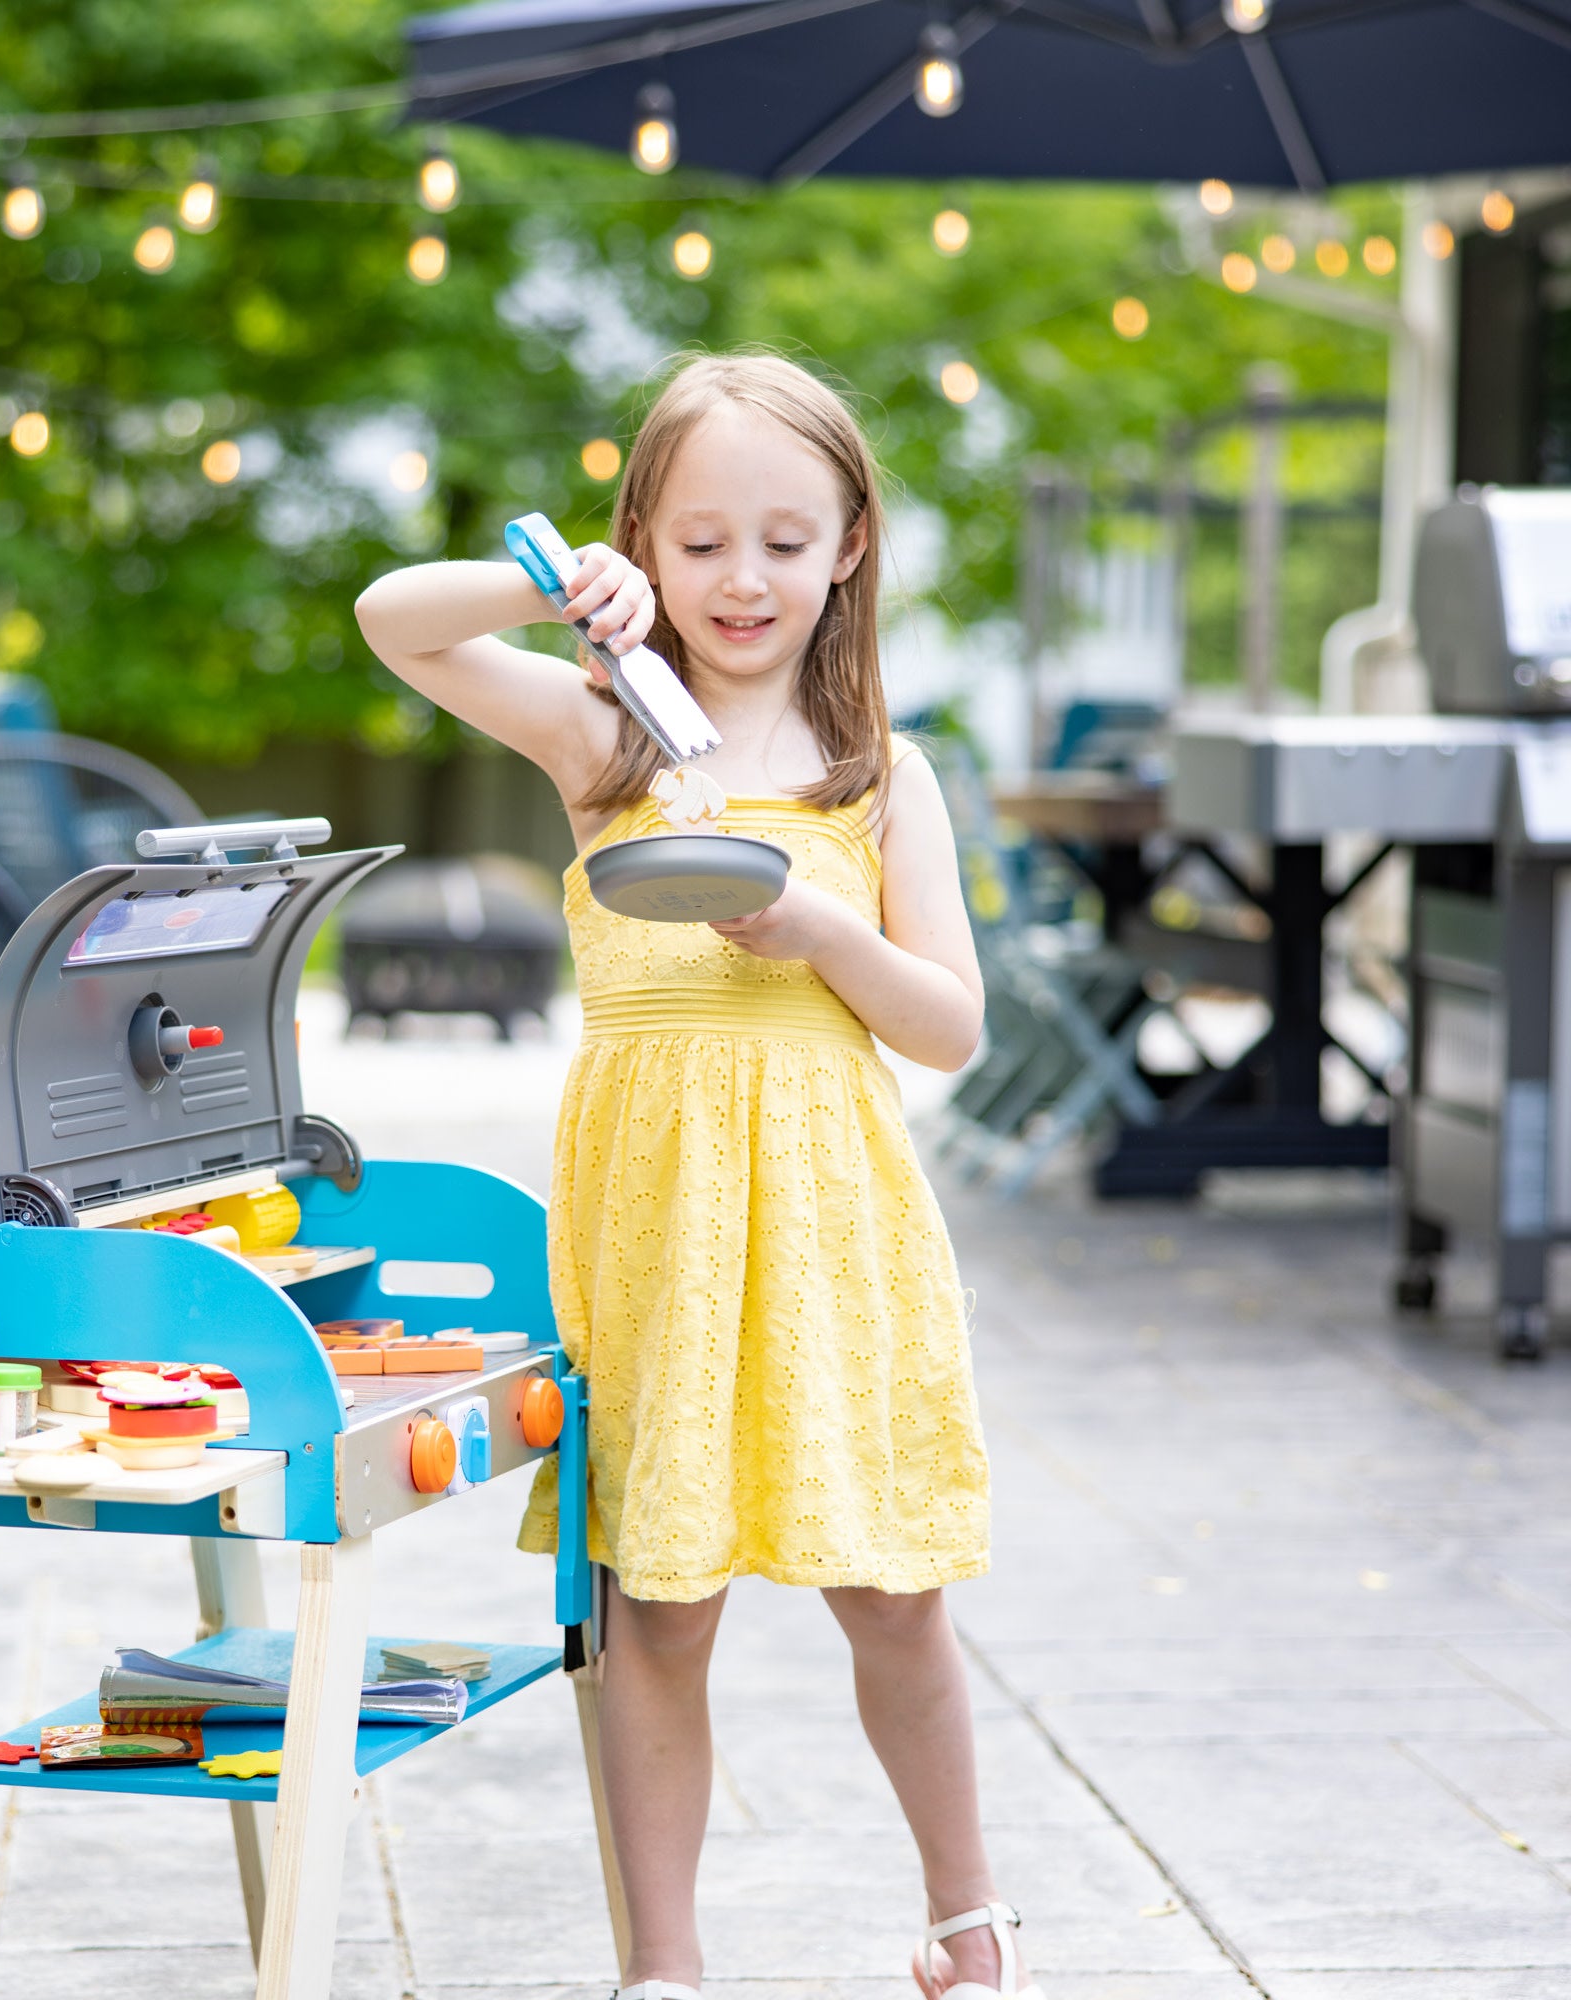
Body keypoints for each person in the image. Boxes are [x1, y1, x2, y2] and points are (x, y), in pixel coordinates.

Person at [356, 353, 1039, 2000]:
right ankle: (661, 1965)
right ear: (645, 549)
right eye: (702, 541)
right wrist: (541, 585)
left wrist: (814, 927)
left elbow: (948, 1028)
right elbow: (396, 619)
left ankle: (969, 1922)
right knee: (658, 1605)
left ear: (851, 548)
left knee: (892, 1594)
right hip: (659, 1228)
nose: (745, 580)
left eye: (786, 542)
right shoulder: (601, 737)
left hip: (834, 1226)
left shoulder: (885, 776)